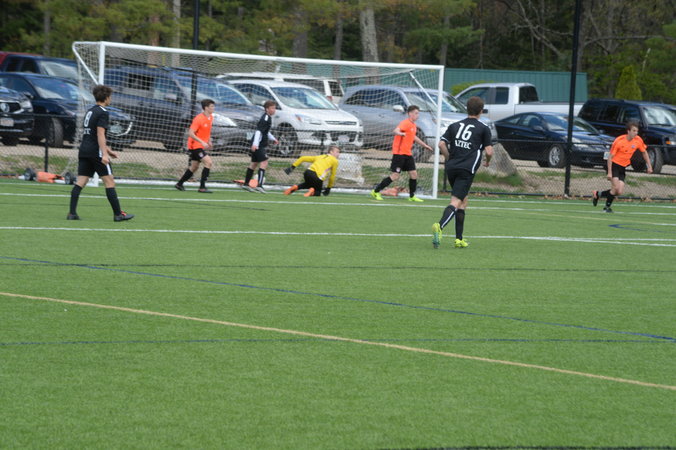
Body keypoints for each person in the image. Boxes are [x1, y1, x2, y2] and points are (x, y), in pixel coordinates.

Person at [431, 96, 493, 249]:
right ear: (481, 111)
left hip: (452, 167)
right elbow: (489, 151)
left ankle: (459, 239)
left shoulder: (454, 125)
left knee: (463, 201)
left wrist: (449, 158)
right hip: (466, 169)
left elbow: (441, 144)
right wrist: (487, 161)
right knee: (456, 201)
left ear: (467, 109)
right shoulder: (483, 128)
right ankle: (440, 226)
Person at [67, 85, 134, 222]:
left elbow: (91, 135)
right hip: (95, 152)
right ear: (107, 97)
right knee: (109, 181)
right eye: (110, 97)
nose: (111, 99)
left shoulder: (90, 111)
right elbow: (100, 134)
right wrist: (104, 154)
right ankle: (118, 214)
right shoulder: (103, 112)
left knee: (81, 181)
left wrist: (109, 150)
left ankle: (72, 213)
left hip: (84, 150)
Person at [370, 105, 432, 202]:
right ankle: (376, 191)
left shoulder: (413, 125)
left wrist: (425, 145)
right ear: (410, 113)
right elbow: (396, 130)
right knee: (395, 176)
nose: (417, 115)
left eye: (418, 113)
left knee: (414, 174)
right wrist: (401, 133)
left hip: (408, 154)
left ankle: (412, 196)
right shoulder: (405, 123)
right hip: (399, 154)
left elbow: (414, 137)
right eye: (416, 113)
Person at [592, 119, 652, 212]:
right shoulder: (619, 141)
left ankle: (598, 194)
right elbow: (610, 157)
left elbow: (644, 152)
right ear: (628, 131)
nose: (636, 133)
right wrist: (609, 173)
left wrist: (649, 166)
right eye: (634, 131)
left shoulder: (638, 140)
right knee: (615, 188)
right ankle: (606, 208)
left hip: (622, 167)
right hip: (613, 165)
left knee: (619, 191)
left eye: (637, 131)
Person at [175, 98, 215, 193]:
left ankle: (179, 184)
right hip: (195, 146)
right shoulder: (198, 119)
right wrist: (202, 142)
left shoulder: (210, 117)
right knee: (208, 162)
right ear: (206, 108)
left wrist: (209, 140)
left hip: (200, 146)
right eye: (212, 106)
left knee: (194, 167)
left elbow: (207, 131)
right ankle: (202, 187)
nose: (213, 108)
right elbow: (191, 133)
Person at [242, 100, 278, 193]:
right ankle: (260, 185)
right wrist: (255, 144)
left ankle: (246, 184)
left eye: (275, 108)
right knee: (264, 162)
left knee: (254, 164)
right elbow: (258, 131)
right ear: (267, 109)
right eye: (272, 108)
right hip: (259, 145)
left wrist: (273, 138)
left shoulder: (268, 117)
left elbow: (265, 131)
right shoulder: (265, 118)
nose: (274, 110)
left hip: (258, 144)